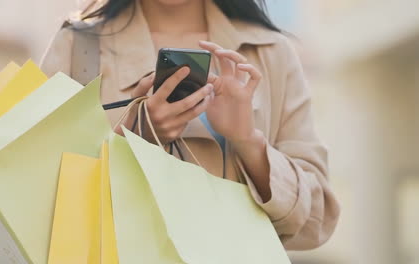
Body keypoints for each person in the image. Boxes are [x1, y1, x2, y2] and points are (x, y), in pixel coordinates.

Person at [40, 0, 340, 250]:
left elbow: (317, 220)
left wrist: (248, 142)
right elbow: (37, 194)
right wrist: (136, 135)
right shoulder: (77, 48)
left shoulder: (270, 52)